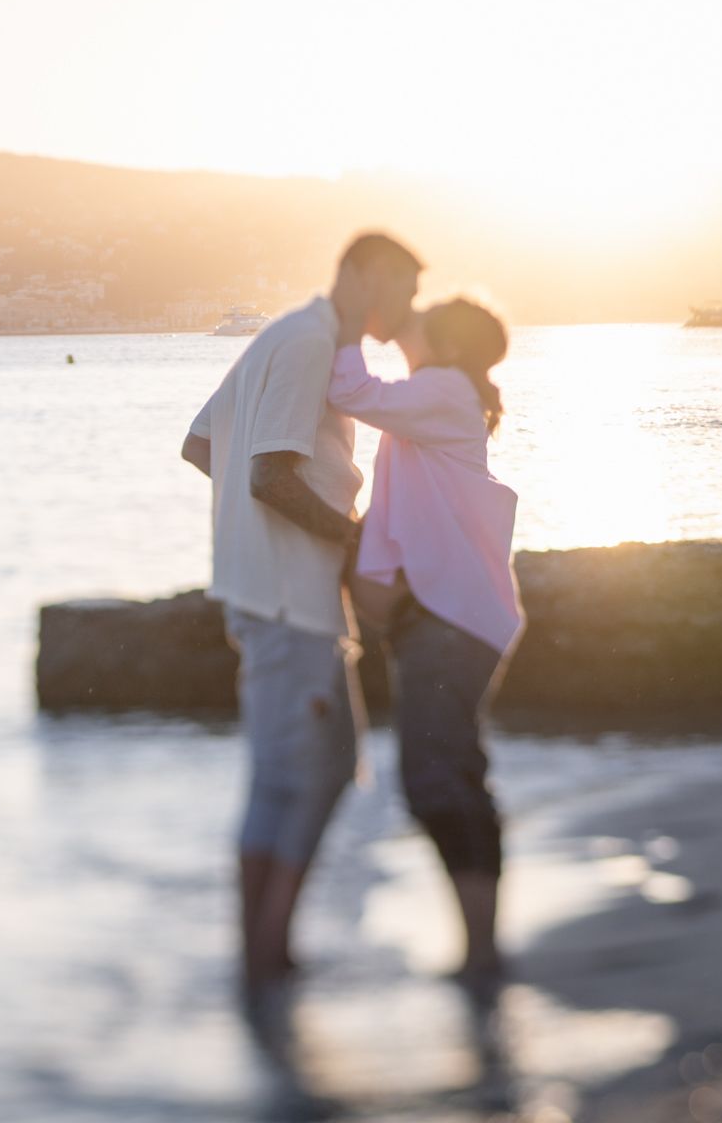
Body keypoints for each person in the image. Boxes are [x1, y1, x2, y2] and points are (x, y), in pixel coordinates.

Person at [180, 233, 422, 994]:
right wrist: (353, 544)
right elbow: (268, 478)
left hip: (272, 593)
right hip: (288, 602)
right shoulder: (310, 341)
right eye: (398, 286)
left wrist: (247, 545)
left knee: (307, 772)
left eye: (411, 293)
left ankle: (265, 950)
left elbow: (200, 444)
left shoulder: (281, 335)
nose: (403, 305)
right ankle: (263, 956)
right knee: (302, 778)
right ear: (355, 274)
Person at [326, 297, 523, 987]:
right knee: (452, 772)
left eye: (422, 315)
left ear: (443, 341)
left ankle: (482, 950)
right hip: (446, 618)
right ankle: (482, 946)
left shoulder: (441, 391)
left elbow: (348, 389)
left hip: (453, 620)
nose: (409, 318)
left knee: (438, 778)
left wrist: (347, 326)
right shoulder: (436, 398)